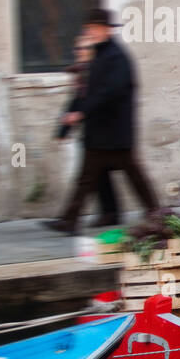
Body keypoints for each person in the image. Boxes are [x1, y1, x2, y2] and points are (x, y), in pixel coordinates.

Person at [45, 9, 159, 234]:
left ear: (106, 30)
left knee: (106, 177)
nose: (91, 33)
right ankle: (127, 213)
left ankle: (72, 220)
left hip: (113, 131)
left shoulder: (116, 57)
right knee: (95, 177)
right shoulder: (100, 55)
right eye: (90, 29)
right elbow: (85, 91)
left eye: (94, 29)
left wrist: (81, 113)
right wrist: (71, 121)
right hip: (102, 131)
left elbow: (109, 92)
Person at [59, 33, 120, 226]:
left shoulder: (94, 71)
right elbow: (76, 100)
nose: (78, 52)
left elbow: (97, 99)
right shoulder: (83, 72)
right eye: (77, 48)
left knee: (88, 178)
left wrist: (76, 118)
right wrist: (63, 130)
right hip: (94, 132)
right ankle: (111, 213)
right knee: (100, 175)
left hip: (103, 130)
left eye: (82, 48)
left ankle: (70, 219)